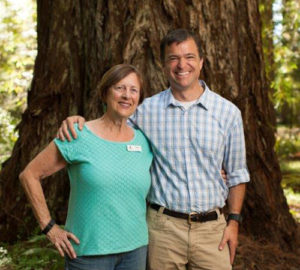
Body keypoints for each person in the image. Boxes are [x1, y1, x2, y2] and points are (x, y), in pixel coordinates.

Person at [58, 29, 250, 270]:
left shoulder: (228, 113)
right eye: (173, 58)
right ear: (163, 65)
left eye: (189, 57)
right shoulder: (144, 111)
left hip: (212, 230)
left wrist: (234, 221)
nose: (182, 65)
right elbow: (110, 126)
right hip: (163, 230)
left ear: (201, 62)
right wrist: (77, 121)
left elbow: (237, 173)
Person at [19, 64, 153, 270]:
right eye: (119, 88)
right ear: (105, 92)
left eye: (133, 90)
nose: (127, 95)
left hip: (135, 252)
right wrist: (49, 227)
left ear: (139, 98)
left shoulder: (144, 141)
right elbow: (29, 175)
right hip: (88, 254)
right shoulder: (78, 135)